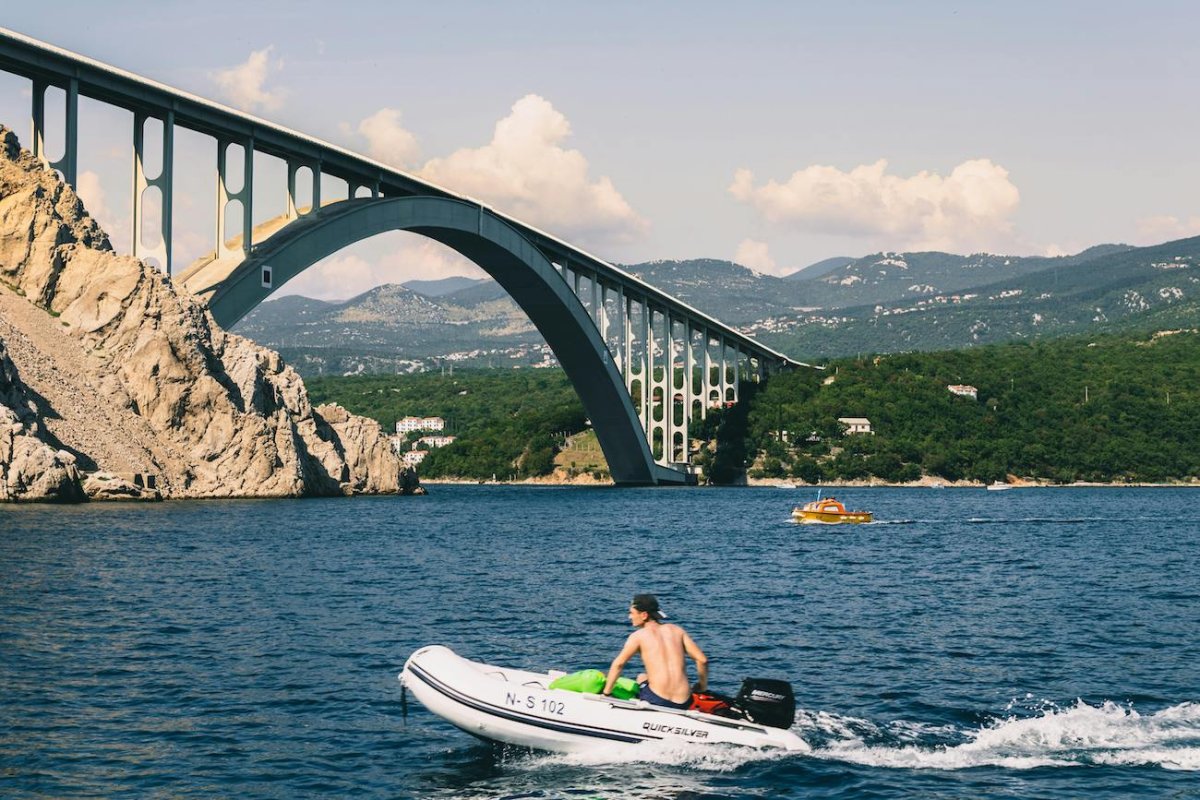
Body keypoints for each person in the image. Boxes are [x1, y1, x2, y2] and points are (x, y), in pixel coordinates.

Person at [602, 594, 708, 709]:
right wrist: (702, 686)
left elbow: (619, 664)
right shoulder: (677, 630)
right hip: (684, 701)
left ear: (644, 615)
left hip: (658, 700)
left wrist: (607, 694)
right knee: (646, 677)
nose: (629, 617)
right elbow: (702, 660)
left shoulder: (638, 636)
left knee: (641, 677)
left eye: (632, 613)